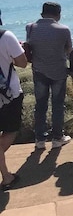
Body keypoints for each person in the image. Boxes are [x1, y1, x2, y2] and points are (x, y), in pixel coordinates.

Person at [27, 2, 73, 148]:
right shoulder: (63, 29)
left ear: (42, 13)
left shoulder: (31, 27)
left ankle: (39, 139)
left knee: (40, 105)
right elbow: (69, 49)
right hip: (58, 71)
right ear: (58, 14)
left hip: (38, 71)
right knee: (58, 105)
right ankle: (57, 138)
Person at [0, 24, 27, 190]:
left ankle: (6, 176)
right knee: (11, 130)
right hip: (9, 94)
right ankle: (6, 177)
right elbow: (22, 63)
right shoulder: (6, 36)